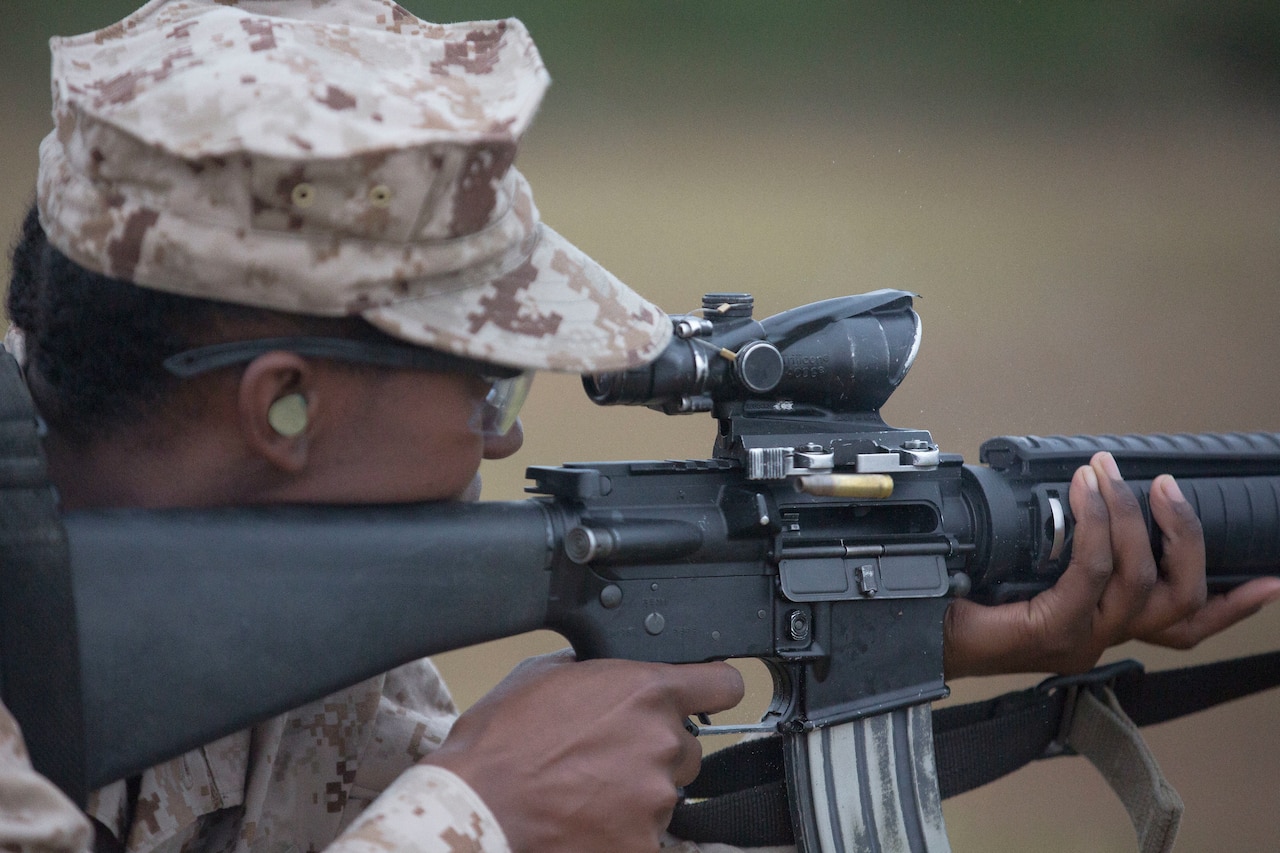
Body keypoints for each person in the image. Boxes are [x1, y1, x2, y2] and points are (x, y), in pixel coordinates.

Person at [3, 2, 1278, 853]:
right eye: (491, 387)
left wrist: (879, 637)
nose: (504, 445)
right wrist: (479, 815)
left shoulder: (258, 581)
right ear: (281, 403)